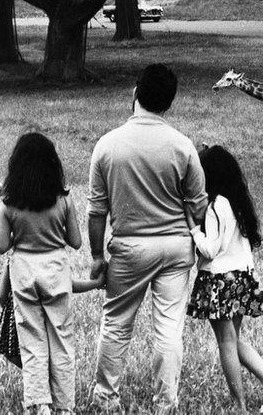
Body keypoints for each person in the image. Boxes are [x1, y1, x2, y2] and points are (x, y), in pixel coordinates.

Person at [88, 63, 209, 412]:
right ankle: (166, 402)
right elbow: (199, 206)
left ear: (135, 92)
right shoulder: (182, 146)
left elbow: (96, 211)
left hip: (129, 247)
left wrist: (98, 255)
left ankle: (106, 399)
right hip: (175, 247)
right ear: (168, 104)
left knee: (116, 324)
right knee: (169, 330)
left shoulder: (108, 145)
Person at [185, 145, 263, 413]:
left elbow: (209, 249)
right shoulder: (237, 202)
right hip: (242, 277)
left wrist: (193, 228)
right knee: (233, 340)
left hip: (219, 279)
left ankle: (239, 406)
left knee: (225, 343)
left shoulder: (216, 205)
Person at [0, 132, 87, 415]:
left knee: (32, 340)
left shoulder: (8, 204)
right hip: (56, 271)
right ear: (53, 165)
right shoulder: (64, 201)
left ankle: (39, 404)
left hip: (23, 271)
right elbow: (75, 241)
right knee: (61, 339)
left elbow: (1, 247)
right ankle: (65, 406)